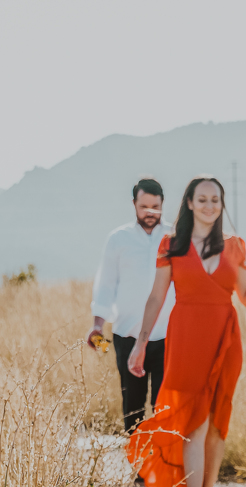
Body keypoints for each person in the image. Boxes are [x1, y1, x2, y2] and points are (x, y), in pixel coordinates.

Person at [126, 176, 246, 487]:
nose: (209, 205)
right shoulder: (171, 245)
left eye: (215, 200)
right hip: (187, 339)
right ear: (189, 203)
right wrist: (141, 342)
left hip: (225, 338)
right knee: (194, 420)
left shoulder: (234, 246)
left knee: (217, 424)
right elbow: (157, 297)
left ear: (222, 204)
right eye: (202, 199)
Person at [89, 177, 176, 433]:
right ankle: (138, 469)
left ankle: (162, 467)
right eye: (144, 206)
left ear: (163, 204)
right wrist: (97, 325)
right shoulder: (118, 239)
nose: (150, 213)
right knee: (133, 406)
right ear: (134, 204)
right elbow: (106, 283)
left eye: (156, 207)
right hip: (126, 334)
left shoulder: (175, 238)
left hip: (168, 335)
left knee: (164, 405)